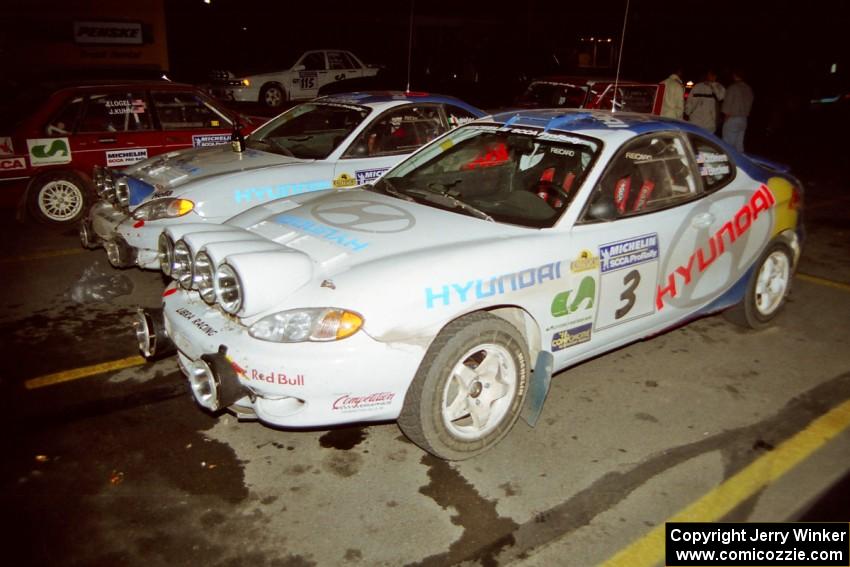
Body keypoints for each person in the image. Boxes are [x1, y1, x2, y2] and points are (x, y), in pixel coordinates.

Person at [721, 70, 754, 152]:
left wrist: (725, 120)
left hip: (732, 119)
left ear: (735, 76)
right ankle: (740, 163)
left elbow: (727, 107)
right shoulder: (748, 88)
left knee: (727, 146)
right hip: (744, 119)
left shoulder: (733, 88)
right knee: (739, 146)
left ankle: (728, 164)